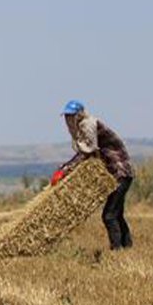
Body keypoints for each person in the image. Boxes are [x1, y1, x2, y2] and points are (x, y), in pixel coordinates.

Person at [53, 100, 135, 250]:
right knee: (117, 214)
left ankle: (117, 251)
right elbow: (84, 153)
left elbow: (88, 152)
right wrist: (66, 167)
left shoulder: (88, 125)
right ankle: (127, 248)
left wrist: (66, 170)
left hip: (119, 172)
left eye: (70, 116)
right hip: (118, 173)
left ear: (79, 115)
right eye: (66, 116)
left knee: (109, 216)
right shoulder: (82, 127)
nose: (67, 120)